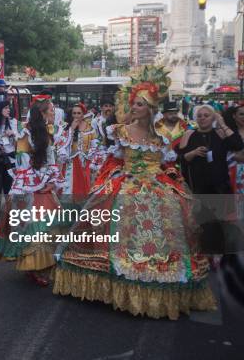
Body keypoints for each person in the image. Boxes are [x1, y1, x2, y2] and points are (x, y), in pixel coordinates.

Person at [53, 67, 217, 320]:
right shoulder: (120, 131)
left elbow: (168, 164)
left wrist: (169, 181)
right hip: (127, 185)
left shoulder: (162, 136)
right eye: (134, 103)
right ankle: (114, 277)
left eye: (141, 104)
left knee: (168, 227)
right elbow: (114, 160)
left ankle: (159, 278)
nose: (136, 108)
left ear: (151, 107)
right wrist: (113, 179)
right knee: (113, 227)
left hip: (156, 187)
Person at [0, 101, 64, 286]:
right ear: (43, 113)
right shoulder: (25, 132)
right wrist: (42, 179)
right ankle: (32, 266)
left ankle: (42, 263)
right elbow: (23, 161)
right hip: (30, 187)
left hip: (44, 184)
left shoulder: (48, 131)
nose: (54, 112)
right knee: (32, 227)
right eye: (51, 110)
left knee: (47, 226)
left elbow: (51, 158)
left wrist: (52, 180)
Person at [176, 105, 244, 194]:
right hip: (197, 186)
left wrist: (222, 124)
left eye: (206, 115)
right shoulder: (189, 134)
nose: (202, 118)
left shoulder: (220, 133)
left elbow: (238, 145)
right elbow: (180, 160)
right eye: (199, 116)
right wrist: (193, 153)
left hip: (220, 186)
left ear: (213, 118)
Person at [55, 103, 100, 202]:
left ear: (83, 114)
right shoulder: (66, 127)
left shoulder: (90, 127)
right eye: (74, 113)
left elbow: (95, 144)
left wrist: (90, 154)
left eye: (79, 113)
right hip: (71, 162)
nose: (76, 115)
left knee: (84, 185)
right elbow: (61, 144)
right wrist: (71, 129)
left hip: (85, 162)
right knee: (70, 185)